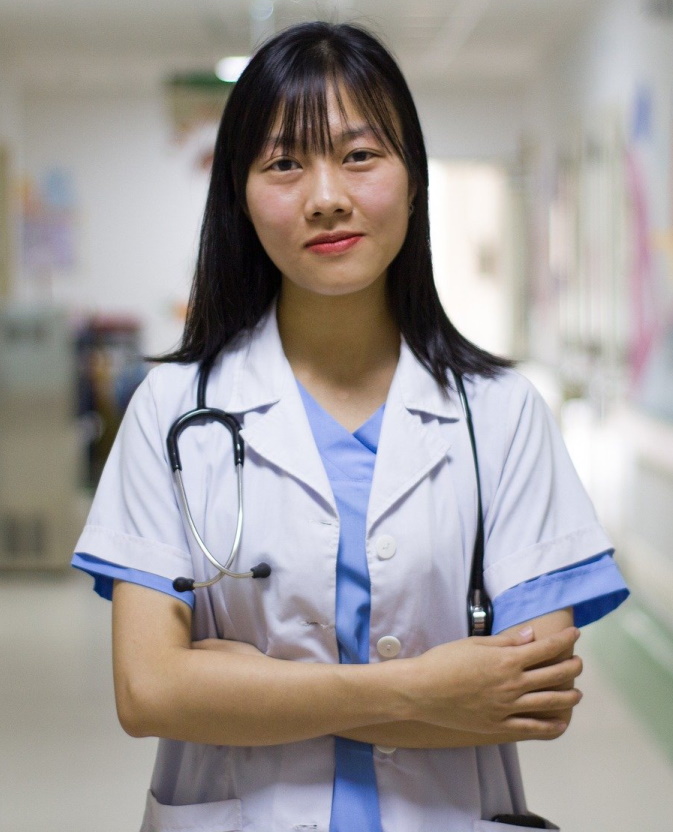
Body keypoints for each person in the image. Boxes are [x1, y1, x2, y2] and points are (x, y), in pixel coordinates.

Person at [72, 21, 629, 832]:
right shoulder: (173, 409)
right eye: (283, 163)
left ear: (413, 180)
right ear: (239, 194)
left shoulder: (500, 413)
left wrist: (240, 685)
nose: (325, 195)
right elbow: (149, 693)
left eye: (360, 155)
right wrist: (428, 691)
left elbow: (530, 703)